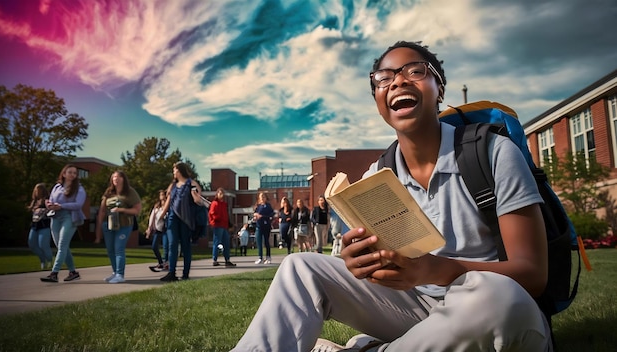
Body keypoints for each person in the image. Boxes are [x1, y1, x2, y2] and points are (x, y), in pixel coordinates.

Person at [232, 41, 551, 351]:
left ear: (439, 88)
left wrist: (434, 270)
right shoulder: (378, 176)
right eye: (384, 78)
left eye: (415, 71)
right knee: (299, 269)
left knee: (498, 299)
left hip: (496, 309)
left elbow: (533, 275)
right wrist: (360, 261)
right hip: (416, 308)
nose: (398, 81)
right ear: (379, 102)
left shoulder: (491, 152)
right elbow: (380, 262)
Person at [40, 164, 87, 283]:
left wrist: (61, 206)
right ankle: (73, 272)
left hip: (70, 217)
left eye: (74, 173)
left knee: (62, 245)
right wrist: (49, 204)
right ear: (64, 174)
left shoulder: (79, 189)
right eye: (70, 172)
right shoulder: (57, 187)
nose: (72, 175)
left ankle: (54, 273)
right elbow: (51, 200)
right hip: (55, 217)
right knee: (62, 247)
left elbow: (78, 205)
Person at [94, 171, 142, 283]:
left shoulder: (130, 192)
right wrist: (98, 230)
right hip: (109, 224)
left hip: (124, 224)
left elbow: (137, 210)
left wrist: (121, 210)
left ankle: (120, 274)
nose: (116, 178)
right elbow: (102, 211)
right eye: (114, 177)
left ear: (124, 179)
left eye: (119, 177)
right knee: (110, 250)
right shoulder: (108, 192)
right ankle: (115, 272)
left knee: (118, 248)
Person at [159, 161, 203, 281]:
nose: (173, 172)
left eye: (174, 170)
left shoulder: (191, 183)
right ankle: (171, 273)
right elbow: (168, 202)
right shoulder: (172, 186)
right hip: (173, 217)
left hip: (186, 219)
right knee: (172, 243)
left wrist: (196, 196)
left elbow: (198, 199)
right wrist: (161, 216)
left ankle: (185, 274)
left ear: (179, 171)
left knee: (185, 246)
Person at [27, 183, 54, 270]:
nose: (36, 192)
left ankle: (49, 260)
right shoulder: (34, 201)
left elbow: (50, 209)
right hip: (35, 225)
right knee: (32, 244)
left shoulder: (46, 200)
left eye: (38, 190)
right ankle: (43, 260)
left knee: (43, 245)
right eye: (35, 190)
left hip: (44, 225)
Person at [209, 187, 237, 267]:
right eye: (220, 193)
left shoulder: (224, 204)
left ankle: (227, 260)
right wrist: (218, 219)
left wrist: (229, 224)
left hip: (224, 226)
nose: (221, 195)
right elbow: (212, 213)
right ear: (217, 194)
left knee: (226, 243)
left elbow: (226, 215)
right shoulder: (214, 203)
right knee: (216, 242)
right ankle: (214, 259)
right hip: (218, 225)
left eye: (222, 193)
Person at [146, 190, 169, 272]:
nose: (162, 196)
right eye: (160, 195)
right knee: (154, 247)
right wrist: (149, 228)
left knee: (166, 247)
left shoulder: (168, 206)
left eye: (163, 194)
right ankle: (161, 262)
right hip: (158, 229)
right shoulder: (157, 207)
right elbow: (152, 217)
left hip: (165, 229)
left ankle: (166, 263)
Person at [253, 192, 274, 264]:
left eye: (263, 197)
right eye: (261, 197)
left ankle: (268, 257)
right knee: (259, 242)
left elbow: (272, 214)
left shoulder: (268, 206)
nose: (262, 198)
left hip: (266, 225)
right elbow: (255, 214)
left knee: (266, 241)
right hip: (259, 226)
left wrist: (263, 216)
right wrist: (255, 216)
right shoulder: (257, 206)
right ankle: (260, 257)